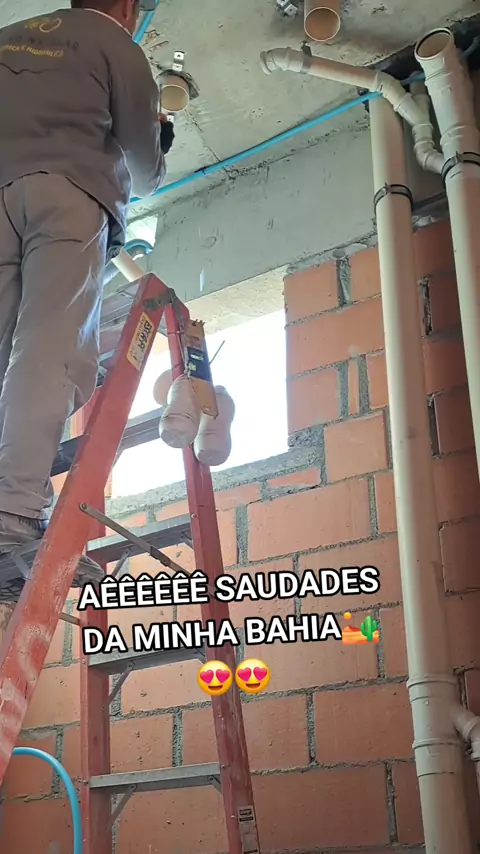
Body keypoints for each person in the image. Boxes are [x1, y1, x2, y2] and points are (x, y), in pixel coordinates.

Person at [0, 0, 173, 559]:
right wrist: (161, 142)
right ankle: (12, 513)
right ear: (126, 6)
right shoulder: (113, 43)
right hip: (67, 195)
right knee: (48, 348)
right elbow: (144, 171)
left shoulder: (5, 36)